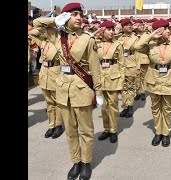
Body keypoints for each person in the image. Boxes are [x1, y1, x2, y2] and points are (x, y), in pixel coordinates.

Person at [30, 2, 103, 179]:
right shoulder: (57, 36)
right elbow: (36, 25)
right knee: (70, 131)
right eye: (74, 14)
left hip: (82, 89)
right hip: (63, 90)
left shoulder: (88, 39)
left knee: (85, 130)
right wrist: (55, 19)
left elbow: (95, 68)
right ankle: (76, 161)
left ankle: (86, 163)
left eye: (80, 14)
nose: (79, 17)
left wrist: (99, 92)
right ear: (66, 17)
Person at [134, 19, 171, 147]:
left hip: (170, 80)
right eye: (165, 29)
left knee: (167, 109)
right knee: (156, 108)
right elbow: (136, 46)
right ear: (159, 32)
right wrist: (151, 36)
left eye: (168, 29)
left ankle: (165, 133)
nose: (168, 31)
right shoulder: (150, 46)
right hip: (154, 81)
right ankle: (158, 132)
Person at [96, 21, 126, 143]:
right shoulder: (96, 44)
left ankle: (113, 130)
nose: (112, 31)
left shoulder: (118, 45)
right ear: (102, 31)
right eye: (108, 29)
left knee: (113, 105)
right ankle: (106, 129)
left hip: (113, 77)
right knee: (103, 106)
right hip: (100, 76)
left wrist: (121, 82)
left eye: (112, 29)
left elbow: (122, 65)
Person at [116, 18, 140, 118]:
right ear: (123, 27)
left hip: (131, 64)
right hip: (121, 66)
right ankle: (125, 106)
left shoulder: (135, 38)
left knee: (130, 87)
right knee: (123, 87)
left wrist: (138, 67)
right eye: (127, 25)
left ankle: (129, 106)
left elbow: (138, 53)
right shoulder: (118, 38)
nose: (130, 26)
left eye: (131, 25)